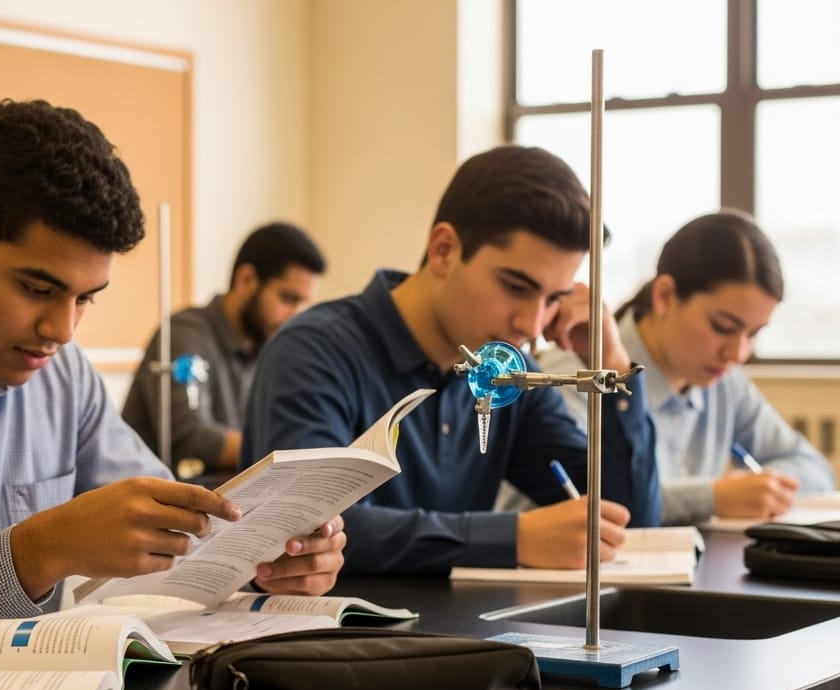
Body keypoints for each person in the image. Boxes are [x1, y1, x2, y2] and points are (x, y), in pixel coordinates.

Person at [0, 99, 346, 621]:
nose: (62, 330)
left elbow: (172, 523)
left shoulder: (64, 374)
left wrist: (269, 553)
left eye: (86, 298)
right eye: (36, 288)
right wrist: (38, 552)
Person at [241, 144, 661, 577]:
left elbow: (631, 520)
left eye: (553, 299)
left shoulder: (506, 375)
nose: (533, 325)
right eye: (516, 287)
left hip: (468, 637)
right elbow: (307, 529)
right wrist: (513, 538)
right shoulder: (314, 350)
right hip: (338, 639)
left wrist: (614, 371)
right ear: (443, 250)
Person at [528, 210, 833, 525]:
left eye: (753, 334)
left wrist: (763, 489)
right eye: (723, 326)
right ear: (665, 296)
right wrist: (712, 498)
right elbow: (569, 504)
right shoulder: (578, 372)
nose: (738, 353)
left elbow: (813, 468)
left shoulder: (725, 381)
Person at [122, 221, 325, 475]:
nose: (296, 316)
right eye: (288, 299)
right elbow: (190, 437)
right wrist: (285, 450)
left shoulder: (268, 348)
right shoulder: (184, 333)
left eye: (303, 305)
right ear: (246, 280)